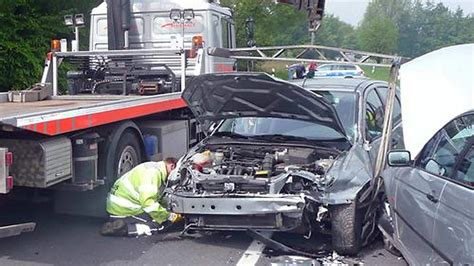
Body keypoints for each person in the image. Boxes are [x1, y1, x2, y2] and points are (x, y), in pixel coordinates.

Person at [100, 158, 182, 237]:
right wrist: (167, 216)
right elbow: (148, 203)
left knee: (156, 215)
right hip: (123, 211)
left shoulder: (152, 167)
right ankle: (124, 228)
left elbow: (155, 196)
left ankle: (120, 223)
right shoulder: (153, 174)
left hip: (116, 207)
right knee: (160, 225)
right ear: (172, 166)